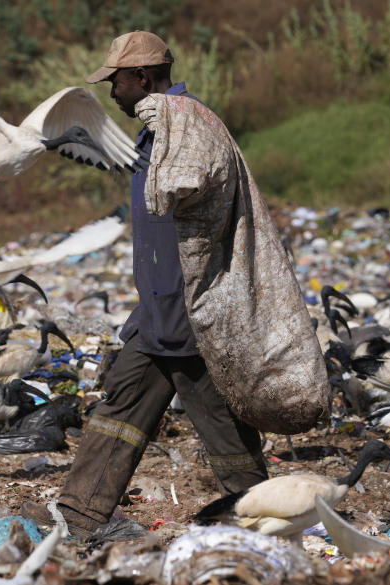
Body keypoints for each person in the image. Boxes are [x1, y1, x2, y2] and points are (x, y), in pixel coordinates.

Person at [57, 31, 270, 540]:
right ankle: (80, 520)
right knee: (121, 406)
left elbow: (200, 190)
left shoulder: (188, 125)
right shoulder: (159, 127)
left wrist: (186, 302)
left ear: (143, 78)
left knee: (221, 422)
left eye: (117, 82)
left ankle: (263, 523)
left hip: (189, 309)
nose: (113, 92)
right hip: (157, 307)